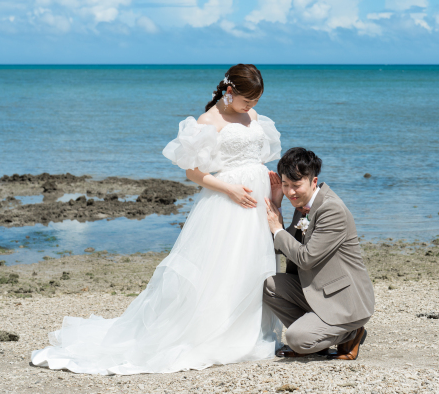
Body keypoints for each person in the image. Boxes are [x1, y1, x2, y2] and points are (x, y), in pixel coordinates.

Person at [31, 64, 283, 375]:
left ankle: (250, 330)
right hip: (228, 200)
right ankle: (217, 331)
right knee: (224, 266)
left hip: (258, 199)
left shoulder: (252, 115)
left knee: (251, 264)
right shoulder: (207, 121)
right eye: (247, 100)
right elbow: (193, 173)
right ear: (230, 92)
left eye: (256, 101)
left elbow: (256, 156)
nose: (252, 106)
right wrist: (229, 189)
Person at [263, 148, 375, 360]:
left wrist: (277, 229)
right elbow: (283, 248)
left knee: (296, 338)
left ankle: (351, 333)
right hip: (316, 290)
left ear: (313, 181)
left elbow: (305, 259)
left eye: (296, 185)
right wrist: (277, 205)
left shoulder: (332, 209)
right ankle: (318, 340)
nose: (290, 192)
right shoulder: (302, 204)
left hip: (343, 301)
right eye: (285, 185)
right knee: (270, 286)